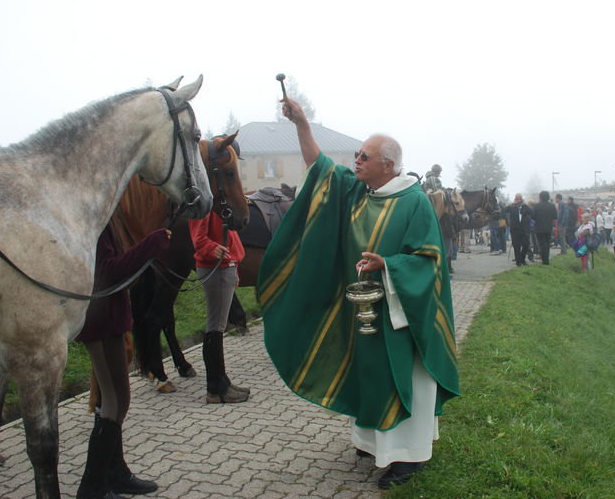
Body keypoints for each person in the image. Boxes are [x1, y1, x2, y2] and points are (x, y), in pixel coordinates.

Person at [261, 96, 460, 489]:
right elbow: (318, 165)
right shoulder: (356, 192)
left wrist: (387, 265)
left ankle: (409, 456)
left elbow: (429, 260)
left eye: (364, 156)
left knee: (400, 378)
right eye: (357, 154)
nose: (356, 160)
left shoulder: (414, 202)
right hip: (366, 310)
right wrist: (302, 123)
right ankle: (373, 442)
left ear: (388, 165)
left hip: (403, 317)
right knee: (368, 374)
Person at [75, 224, 171, 499]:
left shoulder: (108, 221)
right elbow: (108, 272)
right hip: (101, 320)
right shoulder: (98, 224)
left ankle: (115, 472)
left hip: (109, 318)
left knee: (116, 401)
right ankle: (92, 487)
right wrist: (151, 243)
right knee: (114, 401)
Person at [189, 208, 251, 404]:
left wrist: (234, 266)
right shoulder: (206, 207)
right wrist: (212, 248)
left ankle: (222, 382)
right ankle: (216, 389)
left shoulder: (220, 206)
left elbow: (229, 237)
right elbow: (198, 239)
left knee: (217, 328)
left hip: (226, 267)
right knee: (215, 328)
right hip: (217, 269)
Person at [506, 193, 532, 267]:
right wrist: (511, 205)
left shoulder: (525, 206)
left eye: (519, 198)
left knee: (526, 245)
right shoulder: (512, 206)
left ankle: (522, 259)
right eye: (516, 198)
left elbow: (531, 212)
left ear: (521, 199)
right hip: (515, 230)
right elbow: (504, 211)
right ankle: (518, 262)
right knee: (516, 247)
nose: (518, 200)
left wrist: (525, 204)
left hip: (524, 229)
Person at [531, 190, 557, 265]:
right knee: (547, 243)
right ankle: (546, 259)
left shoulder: (536, 206)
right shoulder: (552, 206)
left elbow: (533, 217)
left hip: (539, 228)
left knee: (542, 244)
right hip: (548, 228)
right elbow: (555, 217)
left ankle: (545, 261)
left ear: (540, 197)